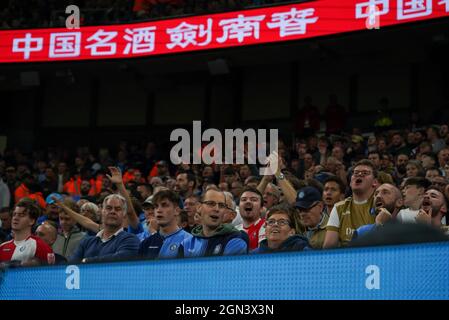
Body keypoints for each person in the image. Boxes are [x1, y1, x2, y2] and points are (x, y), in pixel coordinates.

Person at [69, 194, 140, 264]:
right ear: (102, 212)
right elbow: (71, 266)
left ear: (124, 215)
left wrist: (86, 261)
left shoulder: (131, 240)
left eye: (118, 209)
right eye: (108, 208)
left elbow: (119, 260)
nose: (113, 211)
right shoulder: (86, 242)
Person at [323, 159, 377, 248]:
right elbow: (328, 247)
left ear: (374, 182)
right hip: (347, 258)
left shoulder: (380, 204)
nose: (359, 174)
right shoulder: (339, 207)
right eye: (356, 173)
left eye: (365, 173)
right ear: (351, 182)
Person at [179, 189, 248, 257]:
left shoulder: (235, 239)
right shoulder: (186, 244)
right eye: (211, 204)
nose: (216, 209)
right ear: (199, 207)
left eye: (221, 205)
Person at [138, 190, 192, 259]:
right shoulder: (146, 243)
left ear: (176, 211)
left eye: (164, 205)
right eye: (156, 206)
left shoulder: (189, 241)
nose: (158, 210)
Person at [0, 199, 54, 266]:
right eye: (14, 214)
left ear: (32, 221)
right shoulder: (2, 247)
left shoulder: (40, 246)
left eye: (21, 215)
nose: (15, 218)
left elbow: (48, 274)